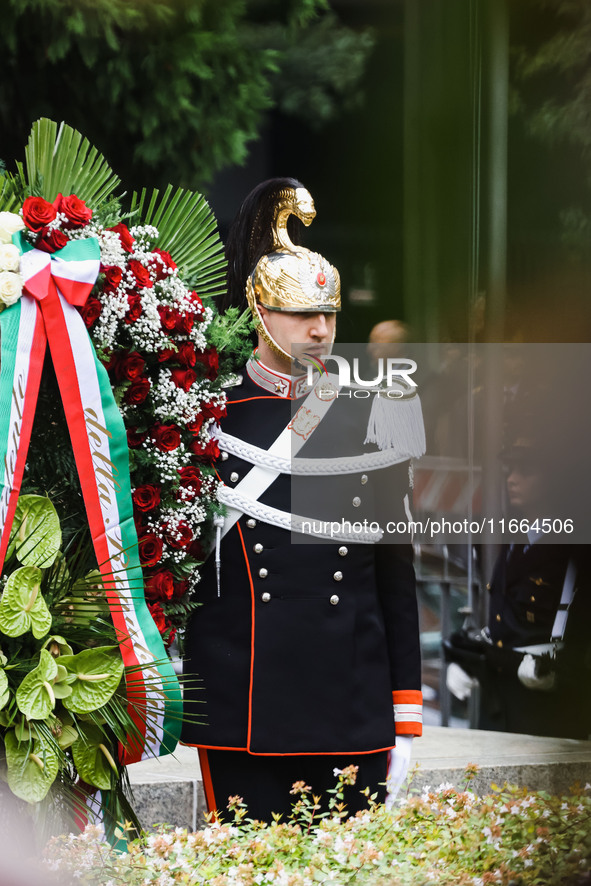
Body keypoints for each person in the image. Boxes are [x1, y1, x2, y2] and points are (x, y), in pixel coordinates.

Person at [181, 178, 426, 820]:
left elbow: (395, 570)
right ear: (261, 313)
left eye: (330, 316)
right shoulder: (204, 412)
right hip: (245, 688)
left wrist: (405, 708)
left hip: (350, 688)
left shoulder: (374, 411)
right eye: (304, 316)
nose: (322, 331)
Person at [446, 435, 591, 739]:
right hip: (500, 705)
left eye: (526, 471)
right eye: (510, 471)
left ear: (554, 479)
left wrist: (560, 676)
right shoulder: (510, 539)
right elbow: (504, 621)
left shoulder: (576, 548)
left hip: (547, 712)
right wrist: (472, 664)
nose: (513, 480)